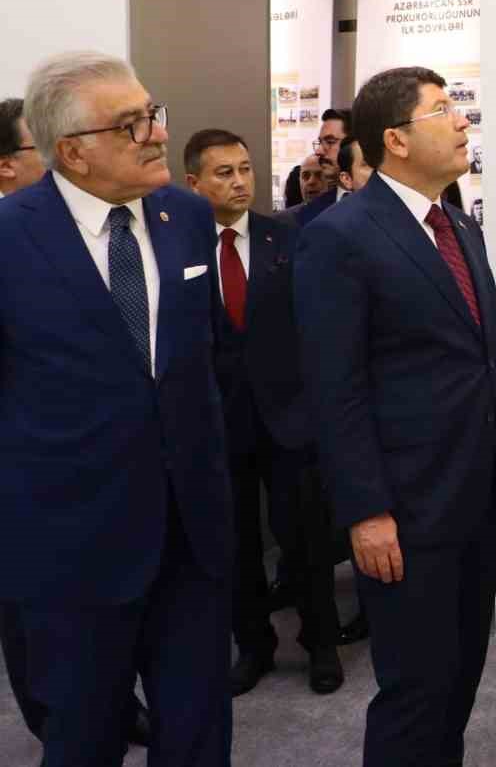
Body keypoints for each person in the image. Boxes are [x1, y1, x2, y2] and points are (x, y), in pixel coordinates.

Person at [0, 52, 231, 764]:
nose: (158, 134)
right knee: (83, 737)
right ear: (73, 151)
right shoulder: (9, 238)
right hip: (71, 548)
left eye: (151, 114)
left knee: (198, 733)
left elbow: (209, 362)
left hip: (191, 535)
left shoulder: (187, 216)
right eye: (132, 124)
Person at [296, 66, 496, 766]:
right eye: (442, 110)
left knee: (460, 673)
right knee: (415, 689)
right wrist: (365, 511)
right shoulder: (341, 236)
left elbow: (487, 356)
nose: (462, 121)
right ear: (395, 140)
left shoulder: (458, 224)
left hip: (477, 492)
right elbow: (335, 389)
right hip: (405, 506)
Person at [1, 95, 154, 753]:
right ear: (9, 166)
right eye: (39, 150)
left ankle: (114, 704)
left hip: (118, 488)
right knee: (43, 640)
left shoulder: (119, 231)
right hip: (32, 495)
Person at [183, 128, 345, 697]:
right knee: (234, 544)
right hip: (218, 421)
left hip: (290, 417)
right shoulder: (179, 248)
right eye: (224, 172)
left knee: (306, 539)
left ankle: (321, 643)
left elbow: (319, 325)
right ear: (194, 183)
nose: (239, 181)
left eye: (245, 169)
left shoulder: (289, 236)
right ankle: (253, 644)